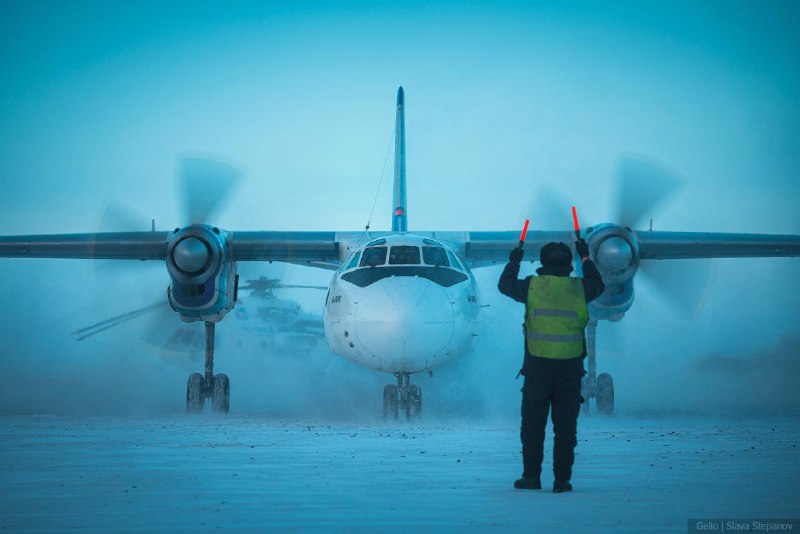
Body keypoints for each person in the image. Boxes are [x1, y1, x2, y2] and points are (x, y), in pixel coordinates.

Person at [498, 239, 604, 493]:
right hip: (569, 370)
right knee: (565, 429)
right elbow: (598, 284)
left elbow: (505, 284)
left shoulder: (531, 286)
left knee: (533, 427)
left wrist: (515, 260)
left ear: (542, 262)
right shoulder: (580, 288)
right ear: (569, 263)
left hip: (537, 369)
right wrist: (586, 258)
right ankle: (562, 481)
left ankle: (531, 477)